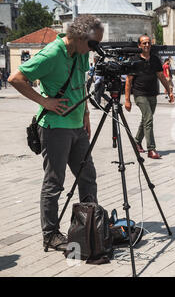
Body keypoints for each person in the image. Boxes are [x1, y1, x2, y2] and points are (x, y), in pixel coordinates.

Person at [8, 15, 104, 251]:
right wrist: (44, 101)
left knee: (87, 176)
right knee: (55, 182)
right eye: (93, 43)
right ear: (80, 38)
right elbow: (16, 78)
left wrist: (86, 115)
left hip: (77, 126)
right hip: (55, 127)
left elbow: (80, 83)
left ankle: (89, 224)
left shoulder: (79, 53)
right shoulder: (51, 54)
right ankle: (50, 234)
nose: (95, 49)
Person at [124, 35, 174, 159]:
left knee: (146, 119)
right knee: (149, 118)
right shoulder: (134, 60)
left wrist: (169, 91)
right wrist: (127, 100)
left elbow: (161, 76)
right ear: (139, 45)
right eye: (144, 43)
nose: (147, 45)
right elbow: (128, 81)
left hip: (152, 94)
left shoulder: (155, 59)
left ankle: (136, 141)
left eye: (149, 43)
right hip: (140, 94)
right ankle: (151, 149)